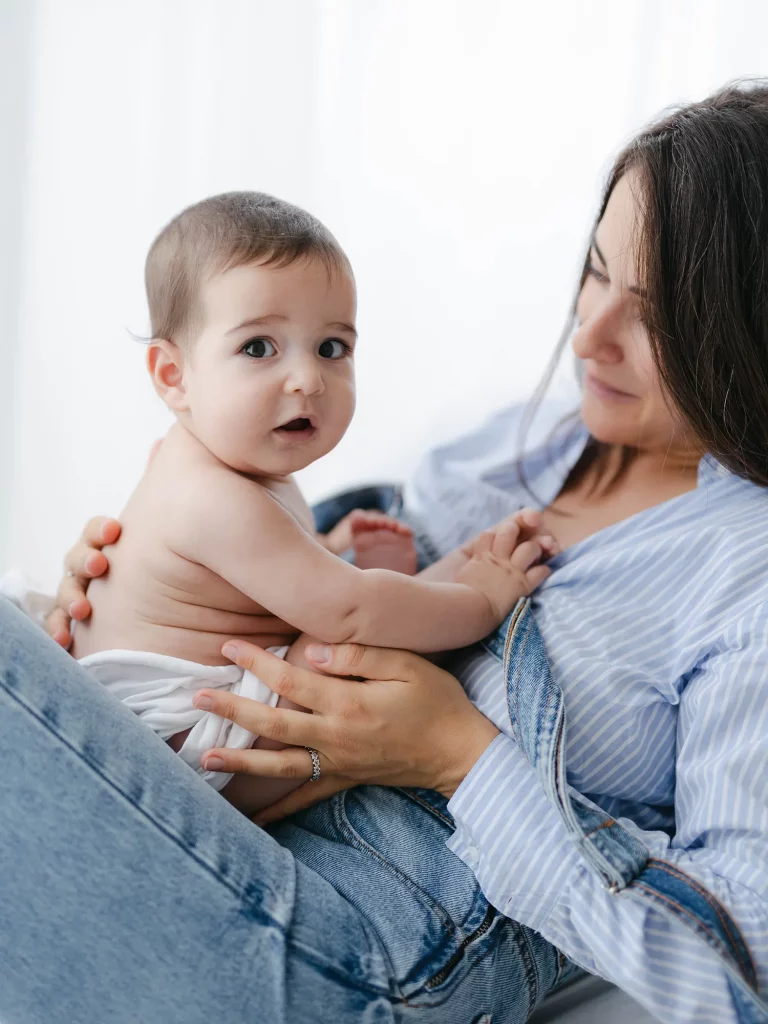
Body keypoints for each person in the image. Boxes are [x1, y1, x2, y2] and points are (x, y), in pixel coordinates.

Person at [3, 81, 768, 1024]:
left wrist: (455, 755)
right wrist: (115, 597)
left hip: (363, 928)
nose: (589, 333)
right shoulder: (511, 446)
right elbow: (300, 585)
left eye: (658, 316)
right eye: (596, 272)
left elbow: (742, 976)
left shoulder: (746, 576)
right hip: (212, 820)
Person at [69, 190, 554, 814]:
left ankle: (461, 567)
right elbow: (350, 613)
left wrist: (324, 548)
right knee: (345, 653)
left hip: (217, 707)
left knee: (356, 619)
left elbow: (246, 581)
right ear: (173, 375)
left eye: (332, 347)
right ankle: (471, 578)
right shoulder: (211, 496)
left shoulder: (230, 457)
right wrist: (482, 601)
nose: (308, 378)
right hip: (193, 759)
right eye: (258, 347)